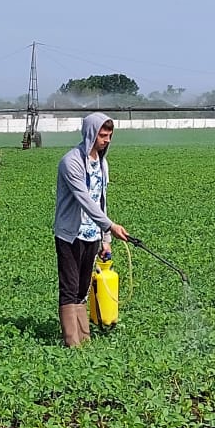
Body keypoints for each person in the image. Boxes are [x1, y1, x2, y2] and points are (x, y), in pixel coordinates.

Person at [53, 112, 130, 347]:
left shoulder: (102, 163)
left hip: (92, 234)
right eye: (102, 135)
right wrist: (110, 225)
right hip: (70, 233)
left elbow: (101, 200)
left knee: (83, 287)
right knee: (70, 287)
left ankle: (83, 339)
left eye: (109, 135)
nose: (107, 140)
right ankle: (71, 342)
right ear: (90, 134)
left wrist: (105, 237)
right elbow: (84, 199)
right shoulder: (71, 162)